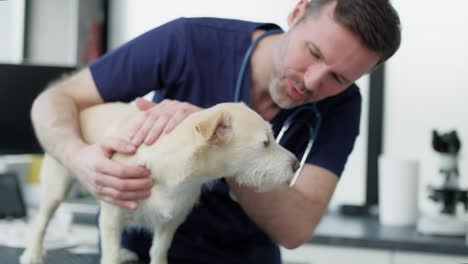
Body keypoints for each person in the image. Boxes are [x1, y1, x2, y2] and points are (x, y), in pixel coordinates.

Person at [30, 0, 401, 263]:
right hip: (140, 249)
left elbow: (295, 229)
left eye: (338, 77)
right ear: (298, 12)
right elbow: (55, 99)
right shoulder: (188, 42)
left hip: (244, 257)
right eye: (314, 53)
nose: (312, 82)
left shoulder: (342, 106)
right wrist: (77, 157)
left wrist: (233, 151)